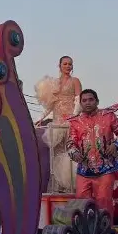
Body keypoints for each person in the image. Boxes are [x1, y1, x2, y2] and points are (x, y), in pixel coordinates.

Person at [68, 89, 118, 220]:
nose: (88, 103)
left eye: (91, 100)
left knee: (103, 201)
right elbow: (70, 144)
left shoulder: (108, 116)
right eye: (84, 101)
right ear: (80, 103)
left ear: (97, 101)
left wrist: (116, 145)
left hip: (106, 168)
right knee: (81, 203)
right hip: (84, 169)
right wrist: (75, 153)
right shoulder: (75, 122)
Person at [35, 56, 83, 194]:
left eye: (70, 64)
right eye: (65, 64)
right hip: (57, 121)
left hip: (70, 121)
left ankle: (72, 185)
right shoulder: (54, 83)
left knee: (70, 151)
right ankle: (60, 187)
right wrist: (41, 118)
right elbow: (52, 104)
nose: (68, 66)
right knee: (57, 154)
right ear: (60, 65)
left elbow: (78, 100)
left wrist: (73, 117)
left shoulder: (75, 81)